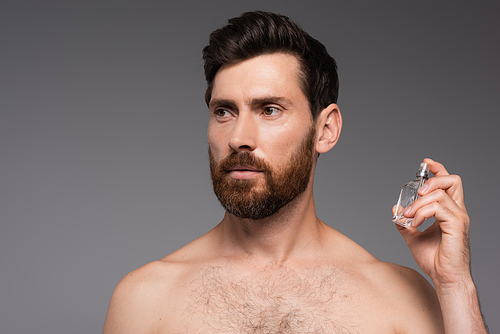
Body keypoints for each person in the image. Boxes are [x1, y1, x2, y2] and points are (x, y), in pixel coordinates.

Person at [103, 11, 488, 333]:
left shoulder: (398, 301)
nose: (239, 137)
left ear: (325, 130)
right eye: (224, 111)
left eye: (269, 109)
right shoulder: (145, 300)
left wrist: (456, 286)